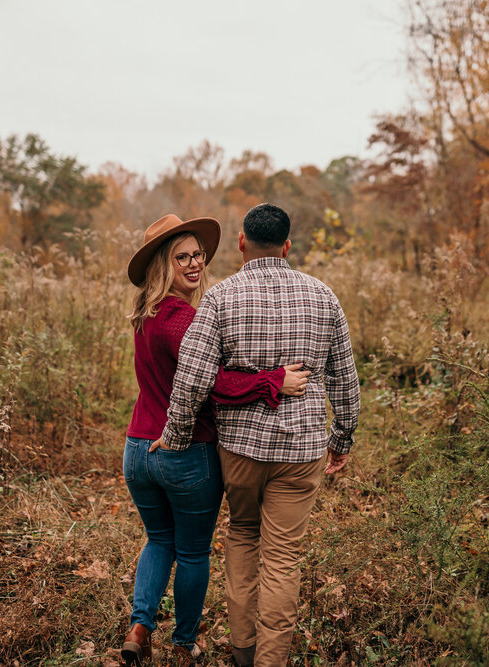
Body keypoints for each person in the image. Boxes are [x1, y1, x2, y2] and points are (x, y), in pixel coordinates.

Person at [154, 203, 361, 666]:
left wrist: (179, 432)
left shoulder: (220, 298)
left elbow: (193, 376)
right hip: (302, 449)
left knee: (243, 535)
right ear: (288, 246)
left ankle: (243, 653)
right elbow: (345, 379)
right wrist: (342, 438)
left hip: (240, 450)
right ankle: (271, 661)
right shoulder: (323, 296)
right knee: (283, 557)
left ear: (242, 243)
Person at [120, 213, 311, 666]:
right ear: (162, 266)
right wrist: (272, 380)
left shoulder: (146, 315)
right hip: (184, 452)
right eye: (181, 257)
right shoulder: (181, 318)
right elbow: (212, 382)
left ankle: (139, 627)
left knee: (157, 540)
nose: (194, 265)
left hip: (137, 450)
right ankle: (184, 642)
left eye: (197, 256)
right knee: (190, 551)